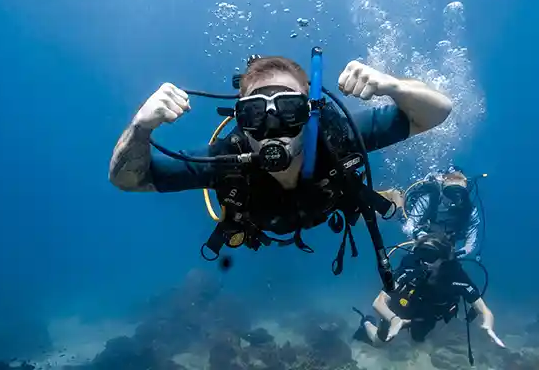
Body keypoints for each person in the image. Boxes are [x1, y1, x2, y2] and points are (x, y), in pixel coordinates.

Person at [108, 53, 453, 286]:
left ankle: (384, 197)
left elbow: (438, 111)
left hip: (331, 203)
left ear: (310, 111)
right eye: (256, 114)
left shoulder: (338, 136)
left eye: (289, 110)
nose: (274, 129)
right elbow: (128, 179)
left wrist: (393, 86)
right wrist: (140, 127)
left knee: (362, 199)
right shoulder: (226, 159)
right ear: (240, 118)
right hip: (260, 225)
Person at [352, 235, 504, 348]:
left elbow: (483, 309)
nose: (424, 262)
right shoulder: (411, 268)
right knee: (380, 342)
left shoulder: (456, 275)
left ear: (445, 260)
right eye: (421, 255)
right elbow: (378, 302)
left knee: (418, 339)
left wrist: (488, 325)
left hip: (428, 315)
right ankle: (366, 322)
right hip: (401, 311)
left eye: (430, 256)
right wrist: (394, 319)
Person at [380, 165, 481, 258]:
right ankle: (395, 196)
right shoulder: (428, 200)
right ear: (442, 189)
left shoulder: (469, 211)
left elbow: (470, 240)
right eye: (449, 193)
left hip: (445, 248)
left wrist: (460, 253)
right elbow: (409, 225)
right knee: (398, 214)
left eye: (458, 194)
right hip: (424, 241)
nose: (453, 200)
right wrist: (419, 235)